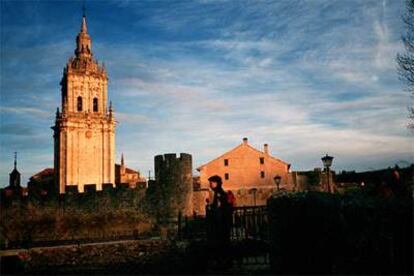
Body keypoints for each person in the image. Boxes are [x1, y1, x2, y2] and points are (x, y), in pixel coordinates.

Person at [206, 175, 233, 268]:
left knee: (221, 244)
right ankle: (223, 262)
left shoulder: (220, 194)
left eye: (212, 182)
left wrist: (211, 208)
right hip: (220, 223)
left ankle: (223, 263)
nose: (210, 184)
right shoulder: (217, 193)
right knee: (222, 244)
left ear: (216, 183)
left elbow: (220, 208)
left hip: (221, 224)